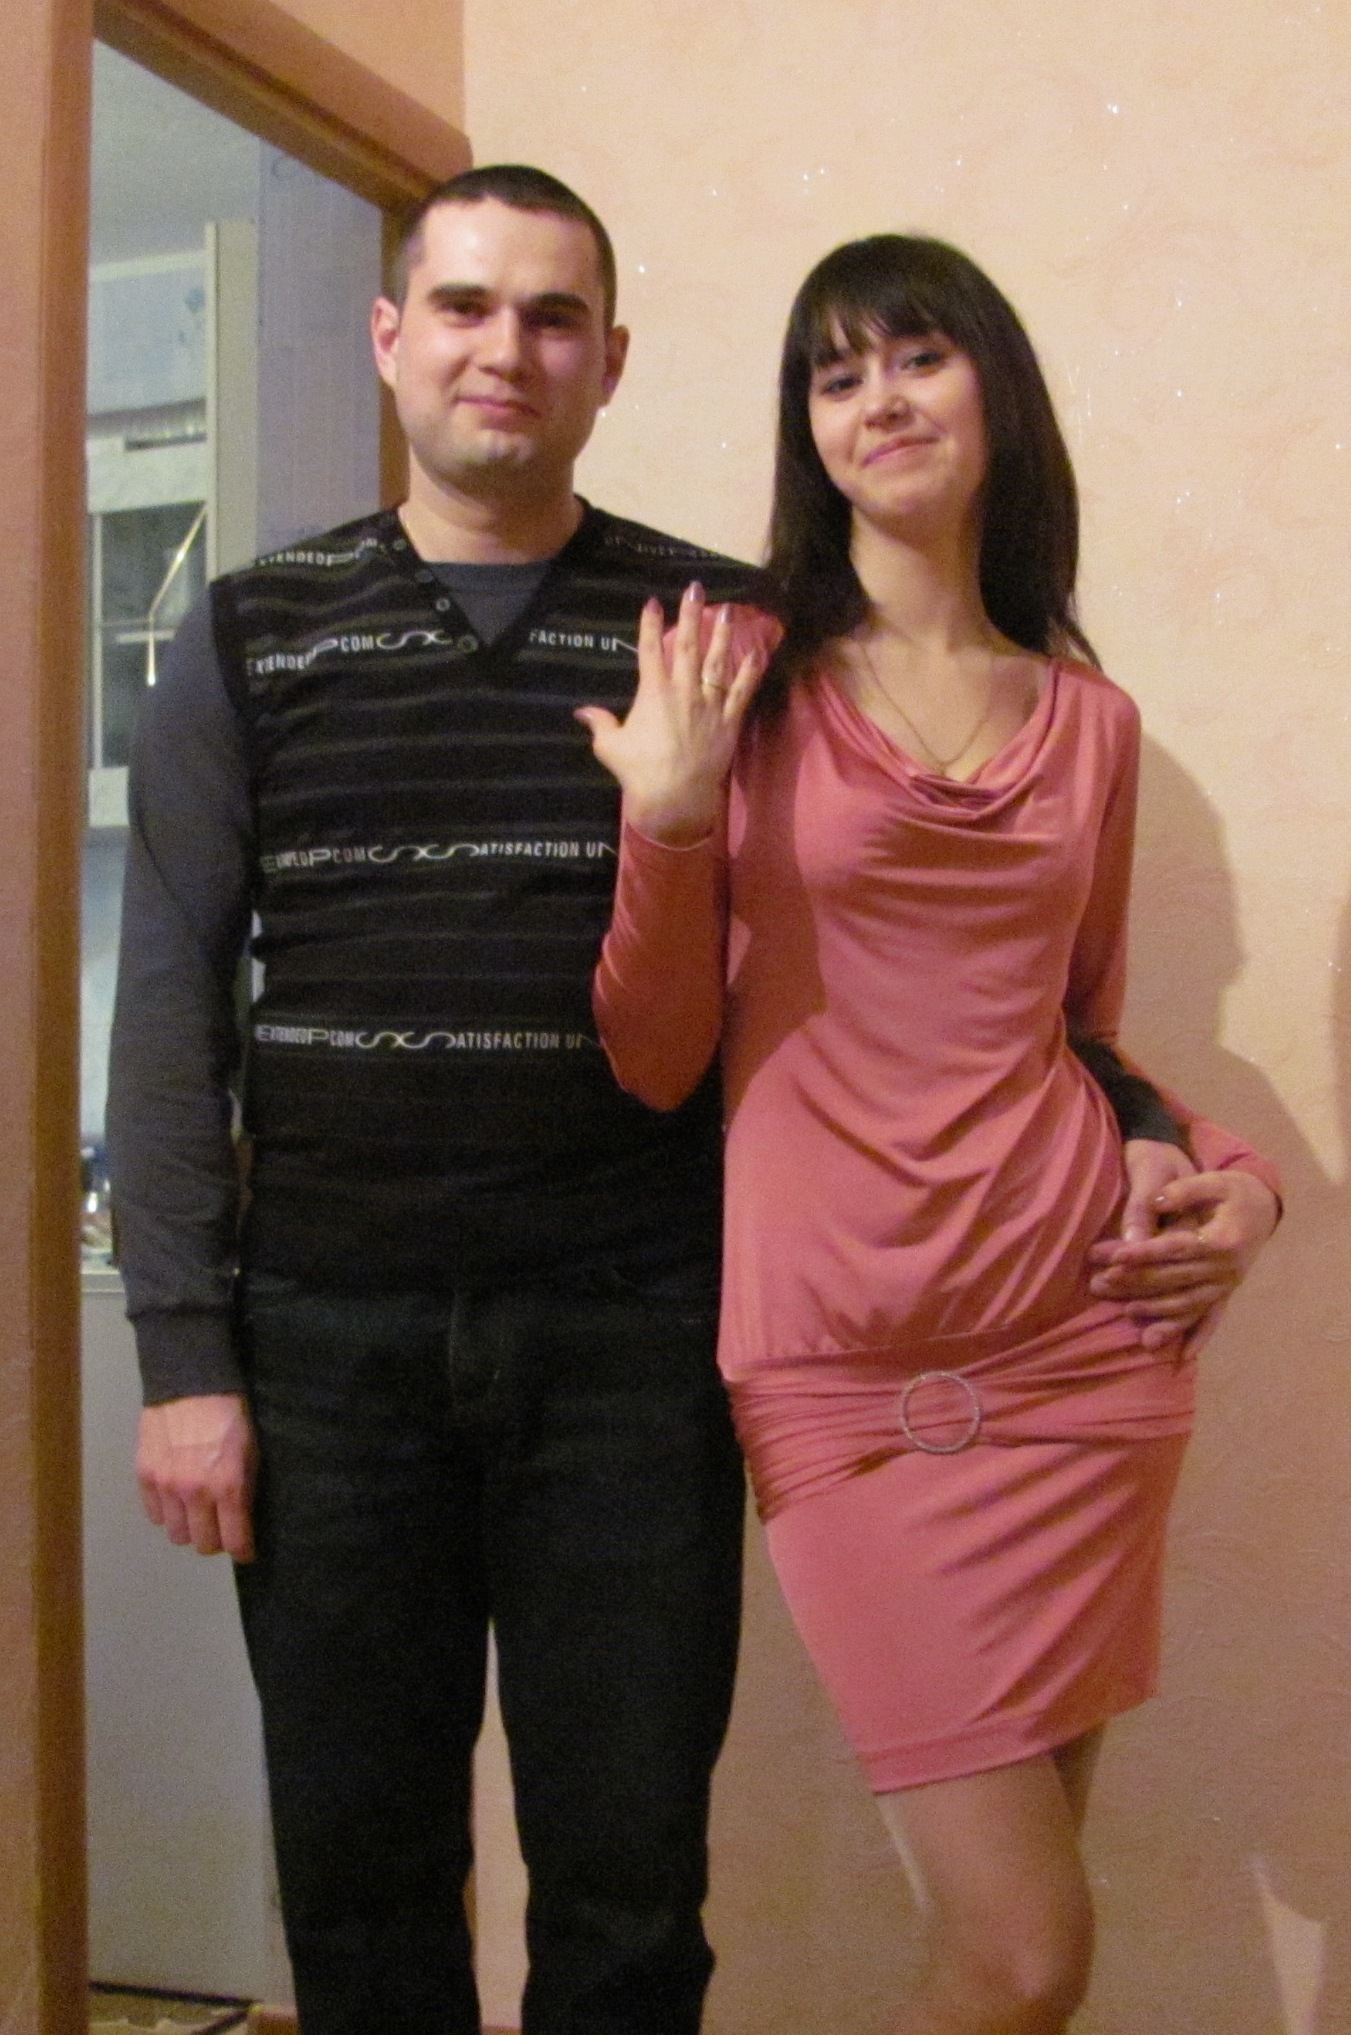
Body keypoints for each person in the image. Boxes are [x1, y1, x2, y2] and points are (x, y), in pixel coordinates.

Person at [109, 170, 1215, 2035]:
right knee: (360, 1886)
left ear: (611, 362)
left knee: (629, 1895)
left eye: (554, 317)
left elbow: (962, 987)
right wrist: (183, 1359)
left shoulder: (729, 638)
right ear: (389, 337)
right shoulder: (251, 632)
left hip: (633, 1339)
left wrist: (1187, 1155)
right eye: (463, 306)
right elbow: (168, 1013)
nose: (505, 350)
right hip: (327, 1344)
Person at [581, 233, 1280, 2035]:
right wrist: (669, 824)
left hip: (1088, 1360)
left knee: (1010, 1966)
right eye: (837, 375)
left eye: (916, 357)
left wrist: (1245, 1185)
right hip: (848, 1370)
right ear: (807, 431)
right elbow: (657, 1057)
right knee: (1027, 1956)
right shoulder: (739, 675)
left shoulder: (1094, 724)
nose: (879, 401)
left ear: (995, 393)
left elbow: (1082, 1042)